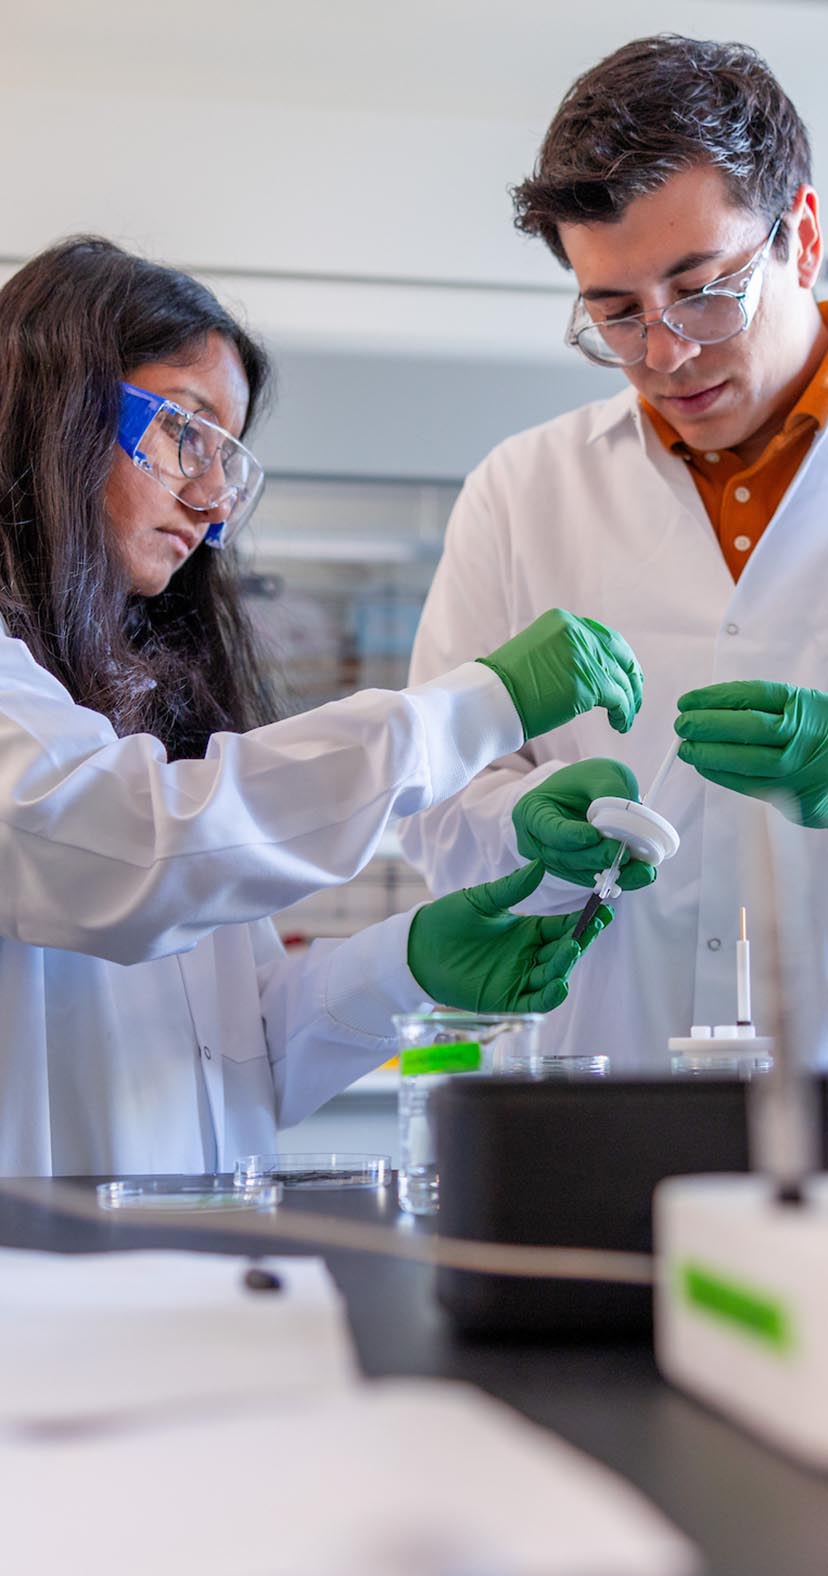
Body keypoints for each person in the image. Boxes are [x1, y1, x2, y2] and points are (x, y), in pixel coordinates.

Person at [0, 237, 632, 1175]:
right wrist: (474, 709)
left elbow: (239, 1056)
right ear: (56, 404)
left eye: (232, 458)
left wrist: (407, 964)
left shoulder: (131, 703)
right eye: (188, 431)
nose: (216, 503)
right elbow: (126, 852)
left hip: (189, 1275)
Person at [401, 33, 828, 1071]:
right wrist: (525, 829)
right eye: (615, 312)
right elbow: (437, 801)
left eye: (703, 288)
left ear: (802, 238)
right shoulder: (522, 490)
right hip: (597, 1088)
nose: (667, 352)